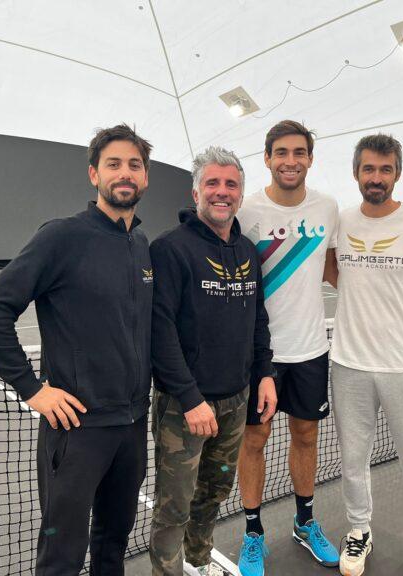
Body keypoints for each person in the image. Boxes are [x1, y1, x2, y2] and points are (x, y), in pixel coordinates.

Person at [0, 124, 153, 576]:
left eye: (134, 165)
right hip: (77, 431)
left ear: (146, 177)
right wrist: (32, 390)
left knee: (113, 545)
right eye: (113, 164)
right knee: (61, 558)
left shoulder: (141, 245)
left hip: (131, 427)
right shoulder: (61, 237)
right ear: (94, 174)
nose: (124, 173)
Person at [148, 146, 277, 576]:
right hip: (183, 410)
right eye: (213, 183)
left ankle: (200, 564)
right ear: (196, 191)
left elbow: (258, 318)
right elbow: (159, 332)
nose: (222, 192)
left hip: (236, 403)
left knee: (212, 496)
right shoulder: (170, 249)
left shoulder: (246, 250)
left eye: (231, 184)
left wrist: (264, 374)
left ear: (240, 193)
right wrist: (189, 399)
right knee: (174, 507)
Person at [329, 133, 403, 576]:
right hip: (349, 366)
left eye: (385, 170)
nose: (376, 178)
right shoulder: (341, 221)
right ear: (356, 172)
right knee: (352, 460)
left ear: (397, 174)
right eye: (368, 169)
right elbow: (330, 266)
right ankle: (358, 531)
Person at [235, 120, 340, 575]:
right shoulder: (247, 212)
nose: (290, 161)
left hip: (311, 349)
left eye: (299, 152)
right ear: (267, 158)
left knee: (306, 435)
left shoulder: (329, 209)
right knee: (254, 439)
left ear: (310, 159)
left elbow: (336, 268)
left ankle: (304, 522)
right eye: (281, 152)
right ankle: (254, 532)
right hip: (260, 355)